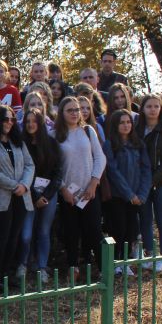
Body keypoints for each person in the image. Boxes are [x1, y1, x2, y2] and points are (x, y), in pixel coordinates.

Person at [0, 106, 34, 284]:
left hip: (21, 197)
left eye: (12, 119)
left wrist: (24, 185)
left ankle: (5, 274)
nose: (9, 123)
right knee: (0, 238)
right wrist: (14, 185)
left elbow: (30, 165)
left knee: (13, 238)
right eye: (5, 119)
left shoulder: (18, 142)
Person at [54, 96, 107, 277]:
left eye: (77, 109)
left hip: (88, 191)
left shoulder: (88, 131)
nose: (75, 113)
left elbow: (100, 157)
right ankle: (73, 267)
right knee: (71, 232)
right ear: (62, 113)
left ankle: (103, 268)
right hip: (68, 192)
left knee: (94, 230)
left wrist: (94, 183)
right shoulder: (55, 135)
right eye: (70, 110)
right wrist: (63, 189)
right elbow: (53, 166)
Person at [102, 109, 151, 269]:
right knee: (119, 229)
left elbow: (146, 170)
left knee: (131, 230)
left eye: (128, 122)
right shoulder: (110, 144)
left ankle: (125, 262)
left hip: (136, 196)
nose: (126, 125)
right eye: (122, 122)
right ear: (115, 125)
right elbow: (113, 171)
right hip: (118, 196)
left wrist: (142, 194)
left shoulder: (138, 144)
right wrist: (129, 194)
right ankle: (115, 263)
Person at [21, 108, 63, 284]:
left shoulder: (51, 143)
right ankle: (23, 264)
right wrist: (35, 195)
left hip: (48, 195)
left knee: (44, 231)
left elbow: (58, 173)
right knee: (26, 234)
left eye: (34, 121)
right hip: (27, 193)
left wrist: (46, 195)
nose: (31, 124)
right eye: (27, 121)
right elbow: (21, 172)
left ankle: (42, 266)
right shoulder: (21, 143)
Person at [138, 94, 162, 271]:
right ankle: (149, 254)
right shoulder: (137, 129)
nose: (153, 110)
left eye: (156, 106)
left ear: (161, 108)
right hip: (142, 182)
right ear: (143, 109)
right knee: (145, 219)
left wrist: (152, 180)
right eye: (149, 106)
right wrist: (144, 181)